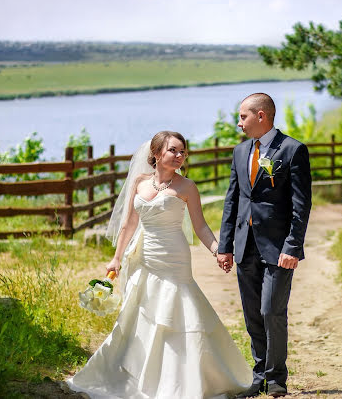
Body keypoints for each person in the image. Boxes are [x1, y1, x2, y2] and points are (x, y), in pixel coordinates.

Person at [66, 131, 252, 399]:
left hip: (174, 258)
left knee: (177, 312)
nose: (179, 156)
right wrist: (116, 258)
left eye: (182, 152)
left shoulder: (187, 187)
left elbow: (200, 226)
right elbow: (129, 224)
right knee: (139, 312)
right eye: (173, 151)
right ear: (156, 154)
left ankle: (185, 380)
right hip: (144, 257)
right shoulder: (140, 182)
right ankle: (138, 374)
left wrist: (218, 250)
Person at [217, 93, 312, 398]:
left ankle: (277, 378)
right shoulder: (240, 151)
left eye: (243, 116)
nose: (238, 123)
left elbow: (301, 205)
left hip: (278, 247)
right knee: (252, 315)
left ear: (261, 116)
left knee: (272, 310)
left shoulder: (293, 150)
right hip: (245, 246)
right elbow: (233, 201)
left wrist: (293, 246)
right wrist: (225, 245)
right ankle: (259, 376)